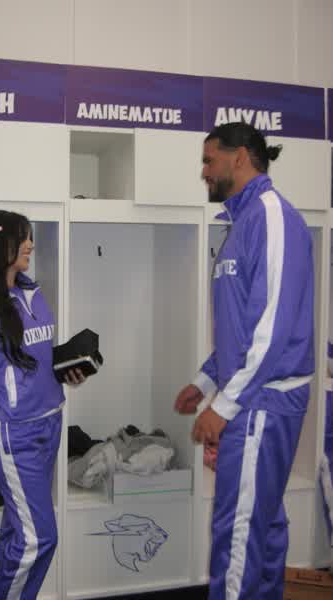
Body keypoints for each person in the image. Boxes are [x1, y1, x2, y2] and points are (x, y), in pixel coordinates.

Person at [175, 123, 314, 599]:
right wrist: (205, 381)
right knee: (263, 523)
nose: (203, 171)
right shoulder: (245, 221)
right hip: (254, 400)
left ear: (238, 158)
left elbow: (272, 328)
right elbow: (243, 326)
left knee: (237, 534)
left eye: (209, 160)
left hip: (262, 404)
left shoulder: (271, 216)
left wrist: (222, 407)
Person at [0, 209, 84, 600]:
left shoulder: (32, 293)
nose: (30, 245)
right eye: (22, 237)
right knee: (38, 538)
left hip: (50, 424)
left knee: (18, 530)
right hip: (13, 435)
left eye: (30, 237)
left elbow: (34, 359)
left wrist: (64, 371)